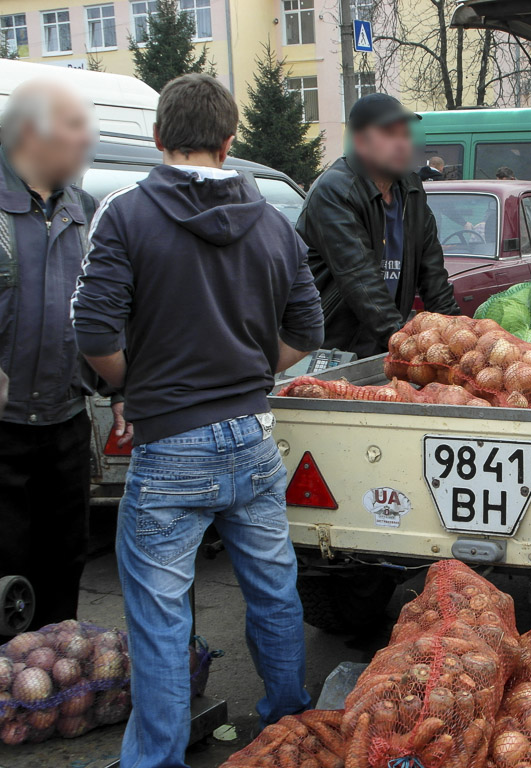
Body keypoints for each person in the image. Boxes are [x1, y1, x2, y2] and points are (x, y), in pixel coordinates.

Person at [71, 73, 324, 768]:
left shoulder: (124, 213)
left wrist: (134, 384)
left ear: (158, 138)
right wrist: (248, 374)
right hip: (251, 435)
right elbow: (308, 324)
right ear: (229, 140)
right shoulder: (274, 221)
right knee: (273, 589)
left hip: (171, 443)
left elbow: (92, 330)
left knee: (159, 613)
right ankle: (286, 721)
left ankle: (155, 759)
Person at [0, 79, 127, 631]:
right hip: (3, 427)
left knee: (64, 559)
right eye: (74, 129)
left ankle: (53, 691)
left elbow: (109, 310)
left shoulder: (85, 209)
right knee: (7, 569)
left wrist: (119, 388)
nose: (86, 142)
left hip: (66, 422)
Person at [297, 93, 459, 357]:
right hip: (330, 349)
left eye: (405, 135)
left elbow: (434, 279)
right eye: (389, 135)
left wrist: (459, 337)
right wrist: (409, 350)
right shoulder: (335, 191)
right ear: (360, 142)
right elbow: (361, 280)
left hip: (382, 345)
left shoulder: (411, 191)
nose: (401, 144)